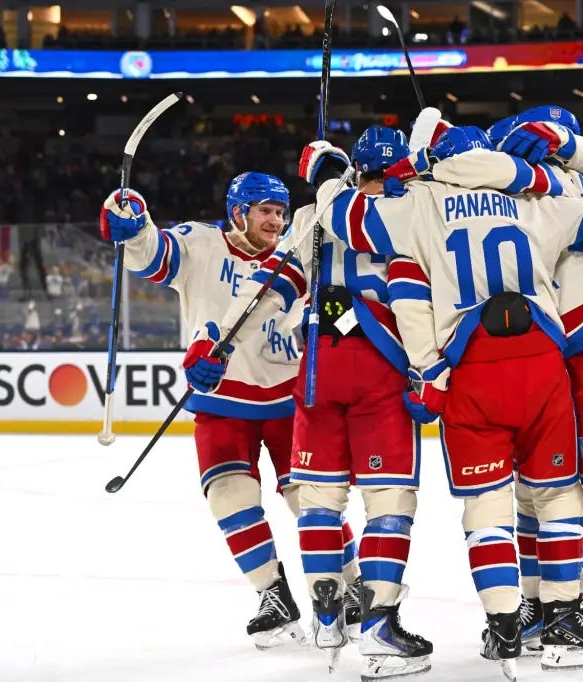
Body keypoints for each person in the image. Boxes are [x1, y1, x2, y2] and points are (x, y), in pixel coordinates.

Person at [300, 126, 583, 675]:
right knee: (556, 497)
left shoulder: (418, 204)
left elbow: (347, 218)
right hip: (540, 365)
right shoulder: (534, 198)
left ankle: (505, 624)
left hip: (467, 372)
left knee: (485, 509)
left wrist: (324, 175)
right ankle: (562, 621)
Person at [407, 108, 583, 670]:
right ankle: (561, 605)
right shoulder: (530, 191)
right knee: (544, 487)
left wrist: (565, 146)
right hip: (556, 350)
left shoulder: (553, 185)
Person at [99, 174, 360, 648]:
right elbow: (153, 253)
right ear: (238, 212)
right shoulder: (200, 243)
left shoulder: (299, 253)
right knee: (228, 495)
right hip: (221, 399)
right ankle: (272, 594)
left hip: (288, 398)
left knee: (312, 499)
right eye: (265, 211)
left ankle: (353, 585)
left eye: (280, 212)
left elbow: (339, 315)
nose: (276, 221)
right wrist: (132, 222)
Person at [216, 127, 432, 680]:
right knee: (388, 500)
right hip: (381, 366)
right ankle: (379, 626)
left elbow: (272, 288)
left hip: (317, 369)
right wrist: (430, 371)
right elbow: (421, 294)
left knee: (318, 500)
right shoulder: (412, 207)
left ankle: (327, 616)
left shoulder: (316, 213)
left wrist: (218, 342)